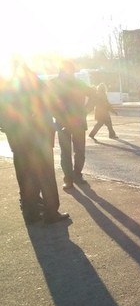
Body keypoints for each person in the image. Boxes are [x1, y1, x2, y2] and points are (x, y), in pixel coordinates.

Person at [0, 62, 70, 224]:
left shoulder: (5, 87)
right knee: (46, 175)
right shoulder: (34, 83)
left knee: (25, 176)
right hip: (38, 136)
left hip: (17, 139)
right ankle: (51, 212)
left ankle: (30, 213)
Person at [49, 60, 96, 190]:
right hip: (62, 121)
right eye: (68, 70)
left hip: (78, 122)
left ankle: (77, 175)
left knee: (79, 151)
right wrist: (57, 115)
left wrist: (86, 110)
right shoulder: (54, 83)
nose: (70, 72)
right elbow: (48, 102)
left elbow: (93, 94)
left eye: (71, 70)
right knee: (66, 152)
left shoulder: (78, 83)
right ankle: (68, 178)